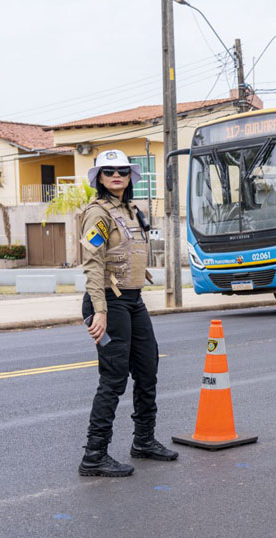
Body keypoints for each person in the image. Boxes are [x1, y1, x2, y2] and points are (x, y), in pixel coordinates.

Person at [78, 150, 178, 477]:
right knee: (113, 378)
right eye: (108, 171)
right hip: (109, 301)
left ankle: (144, 441)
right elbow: (93, 265)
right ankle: (94, 455)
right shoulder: (97, 213)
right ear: (99, 178)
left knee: (148, 370)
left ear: (130, 176)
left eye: (122, 170)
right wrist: (100, 311)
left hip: (133, 300)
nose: (116, 176)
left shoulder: (132, 210)